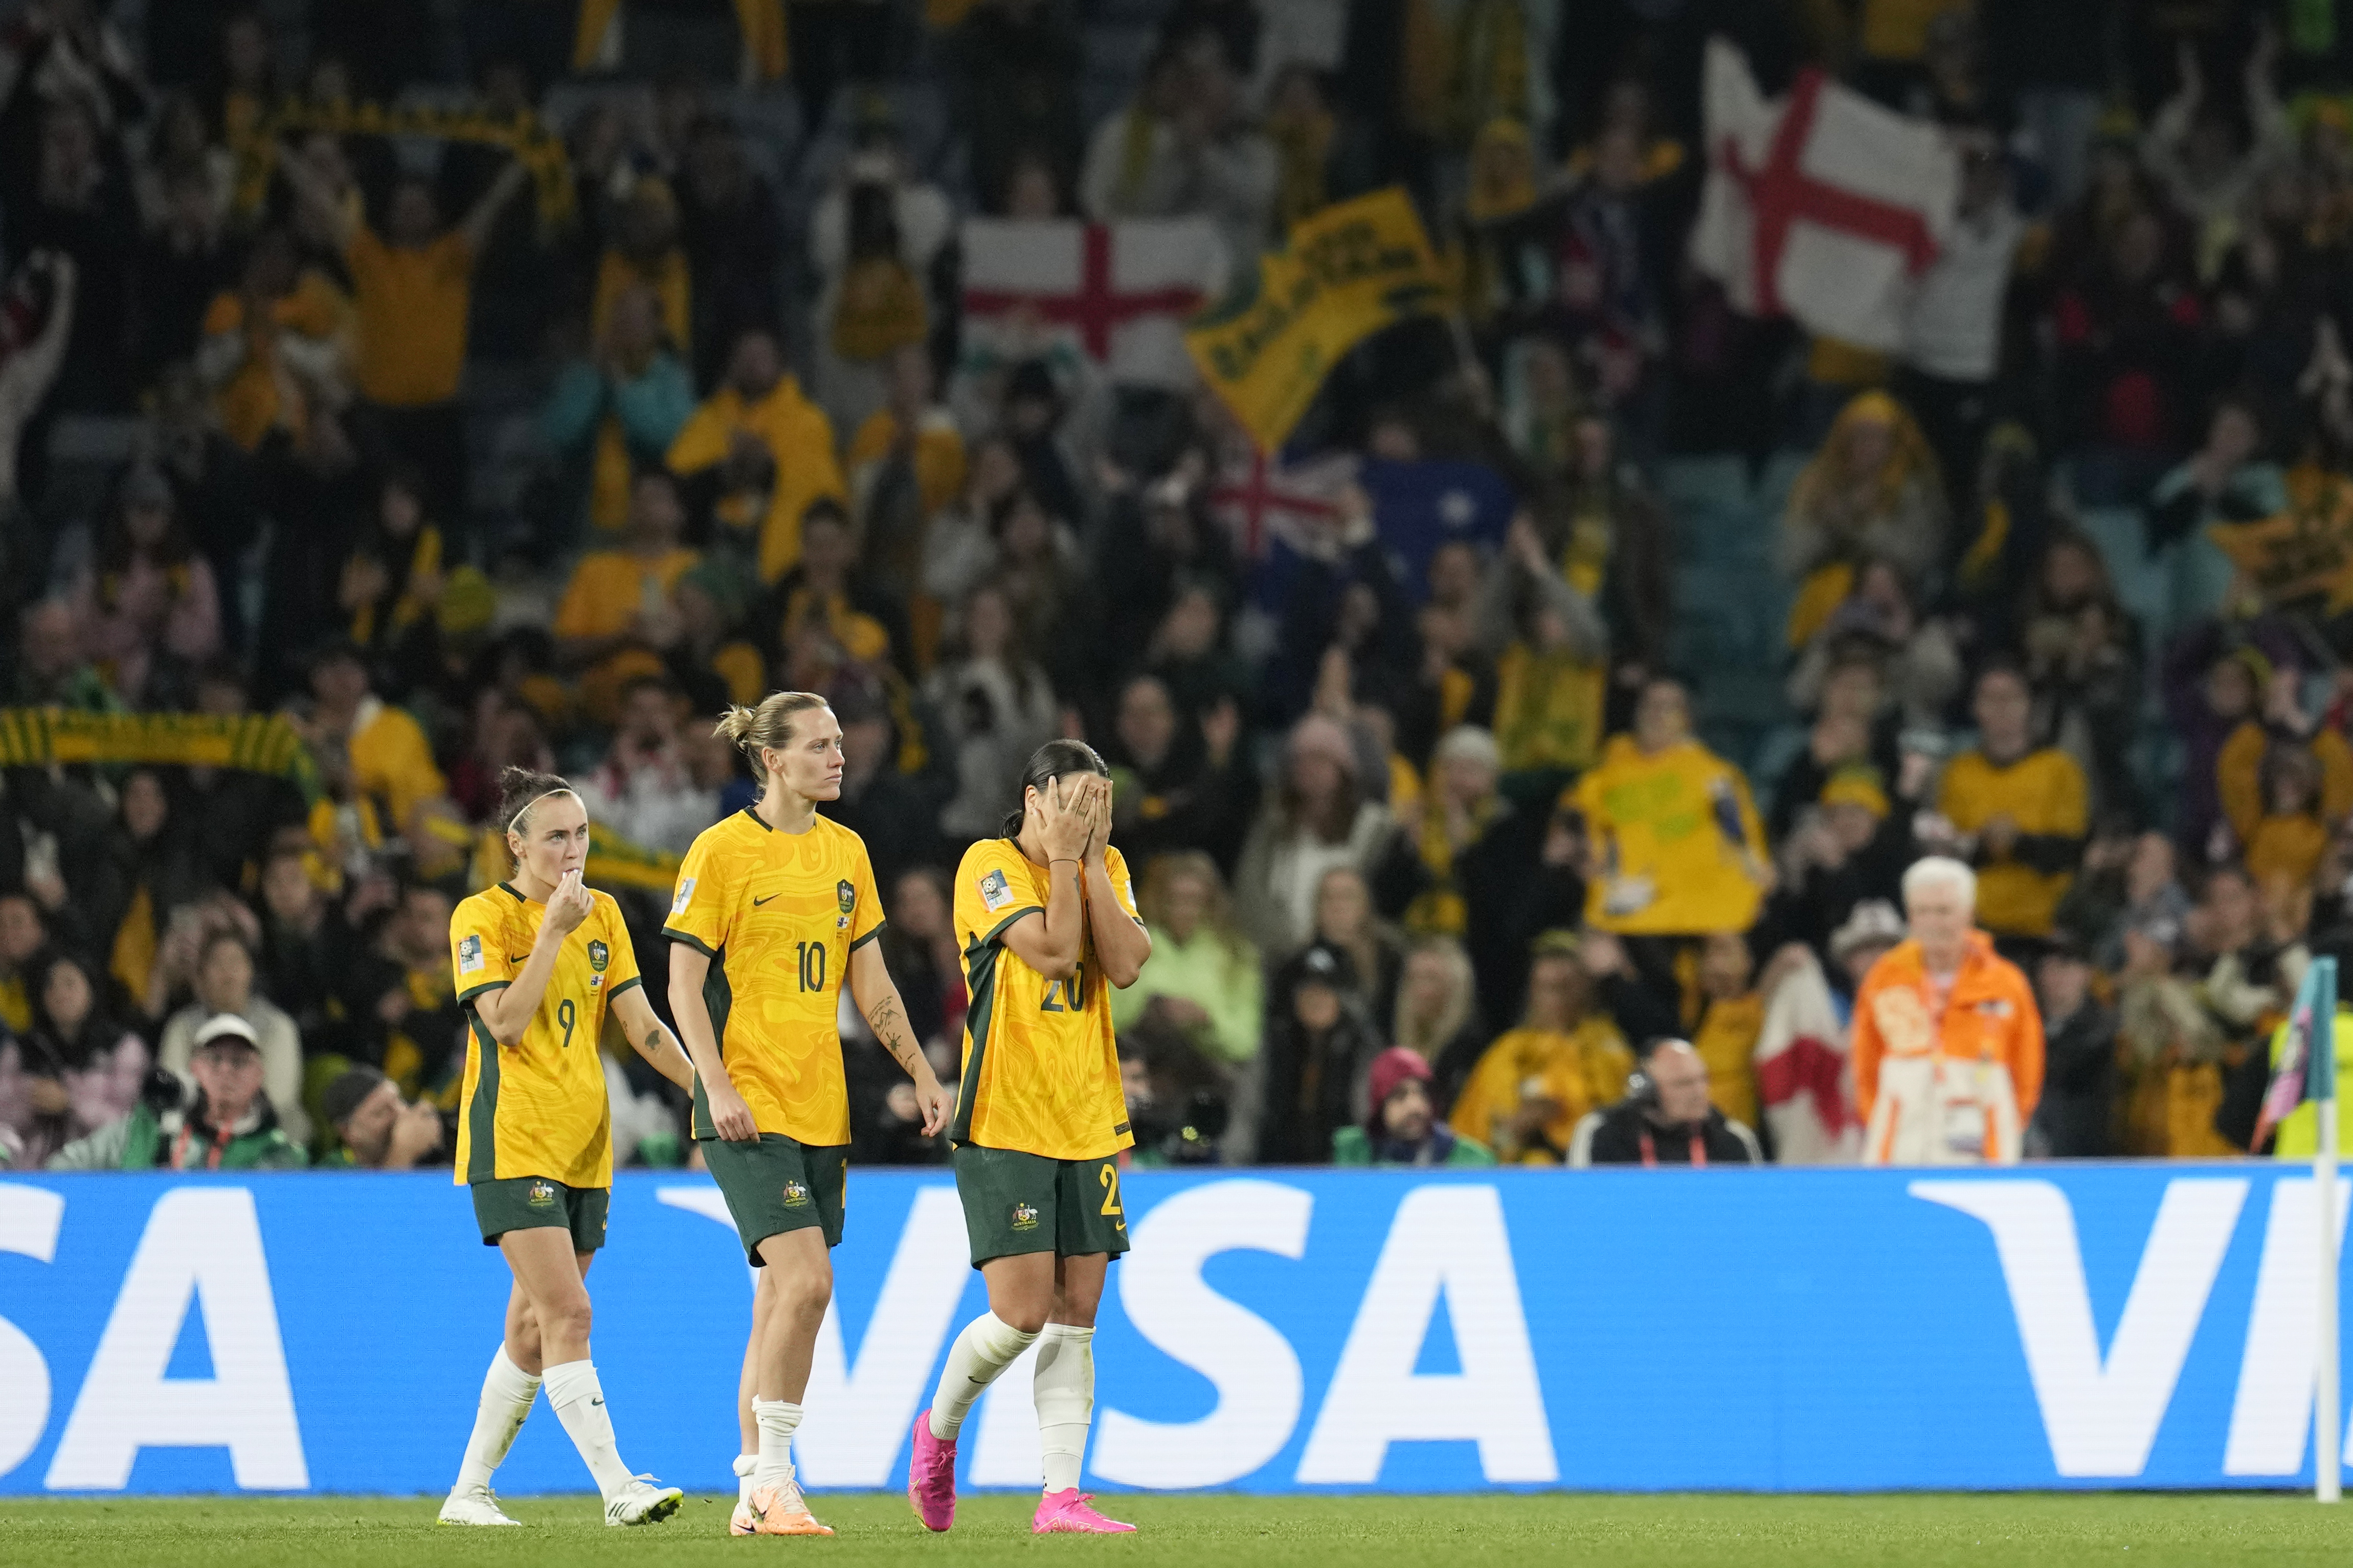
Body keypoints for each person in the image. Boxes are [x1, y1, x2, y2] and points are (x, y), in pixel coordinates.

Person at [664, 691, 953, 1539]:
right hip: (745, 1103)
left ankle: (754, 1484)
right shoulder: (720, 852)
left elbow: (870, 980)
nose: (839, 756)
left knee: (776, 1300)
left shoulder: (847, 852)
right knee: (807, 1283)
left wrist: (921, 1069)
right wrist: (712, 1084)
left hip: (820, 1106)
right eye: (820, 745)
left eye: (839, 743)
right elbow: (683, 981)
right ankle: (778, 1478)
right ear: (774, 760)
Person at [438, 767, 696, 1529]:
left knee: (530, 1328)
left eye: (581, 833)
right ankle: (617, 1484)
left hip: (587, 1146)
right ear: (516, 843)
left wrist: (704, 1088)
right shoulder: (480, 916)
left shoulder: (607, 914)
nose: (572, 849)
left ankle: (469, 1491)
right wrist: (552, 928)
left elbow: (642, 1025)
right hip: (513, 1139)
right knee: (570, 1311)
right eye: (555, 835)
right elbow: (507, 1024)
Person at [908, 741, 1152, 1537]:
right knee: (1018, 1313)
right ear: (1035, 796)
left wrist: (1083, 861)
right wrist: (1058, 861)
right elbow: (1050, 953)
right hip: (1006, 1112)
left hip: (1086, 1113)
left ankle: (1061, 1495)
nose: (1094, 814)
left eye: (1103, 799)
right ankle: (938, 1431)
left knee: (1079, 1308)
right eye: (1080, 797)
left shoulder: (1104, 864)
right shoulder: (989, 863)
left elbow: (1123, 963)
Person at [1852, 857, 2045, 1165]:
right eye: (1921, 911)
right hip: (1898, 1150)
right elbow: (1865, 1067)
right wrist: (1887, 1120)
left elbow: (2026, 1073)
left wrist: (2002, 1126)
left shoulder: (2005, 983)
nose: (1932, 922)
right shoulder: (1885, 977)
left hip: (1983, 1150)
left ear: (1968, 914)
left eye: (1943, 911)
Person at [1933, 663, 2089, 943]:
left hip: (2044, 928)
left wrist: (2017, 842)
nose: (2001, 708)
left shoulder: (2059, 769)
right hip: (1973, 929)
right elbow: (1947, 855)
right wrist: (1988, 842)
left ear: (2028, 705)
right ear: (1976, 708)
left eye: (2011, 698)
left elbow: (2070, 853)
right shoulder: (1958, 773)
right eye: (1991, 699)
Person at [48, 1014, 303, 1170]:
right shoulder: (145, 1127)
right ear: (194, 1068)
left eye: (239, 1062)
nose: (226, 1070)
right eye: (214, 1059)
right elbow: (61, 1168)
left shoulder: (277, 1151)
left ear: (259, 1075)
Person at [156, 928, 307, 1145]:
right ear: (201, 975)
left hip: (269, 1136)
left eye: (236, 962)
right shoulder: (182, 1026)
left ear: (251, 971)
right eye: (218, 963)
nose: (228, 971)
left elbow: (280, 1096)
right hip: (196, 1135)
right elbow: (173, 1088)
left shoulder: (278, 1026)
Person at [1570, 1038, 1764, 1166]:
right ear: (1646, 1089)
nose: (1700, 1092)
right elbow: (1583, 1208)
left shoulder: (1731, 1136)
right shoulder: (1603, 1132)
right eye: (1683, 1084)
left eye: (1703, 1079)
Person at [1333, 1047, 1495, 1167]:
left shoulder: (1471, 1160)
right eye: (1399, 1096)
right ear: (1379, 1104)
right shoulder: (1354, 1153)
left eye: (1423, 1094)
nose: (1415, 1106)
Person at [318, 1063, 444, 1169]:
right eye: (381, 1112)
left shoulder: (426, 1159)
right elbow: (378, 1198)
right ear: (347, 1131)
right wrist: (403, 1153)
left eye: (399, 1100)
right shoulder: (333, 1170)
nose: (401, 1114)